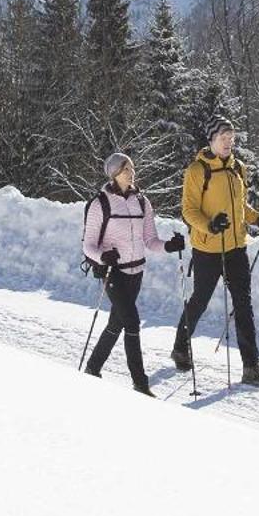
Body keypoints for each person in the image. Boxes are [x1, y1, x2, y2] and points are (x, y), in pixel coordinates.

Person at [173, 118, 259, 386]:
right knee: (200, 301)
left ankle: (250, 366)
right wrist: (210, 224)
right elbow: (189, 210)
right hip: (207, 248)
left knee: (244, 304)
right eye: (223, 137)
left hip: (236, 248)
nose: (229, 142)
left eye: (231, 137)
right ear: (211, 140)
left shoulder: (238, 168)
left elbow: (240, 207)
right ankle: (181, 347)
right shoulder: (197, 171)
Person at [81, 151, 185, 394]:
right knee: (132, 322)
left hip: (136, 271)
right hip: (113, 273)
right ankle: (140, 382)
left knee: (117, 323)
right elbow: (88, 245)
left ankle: (93, 367)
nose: (132, 173)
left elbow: (150, 240)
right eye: (127, 169)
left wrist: (169, 246)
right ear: (115, 174)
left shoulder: (142, 202)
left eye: (133, 168)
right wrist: (103, 256)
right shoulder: (100, 204)